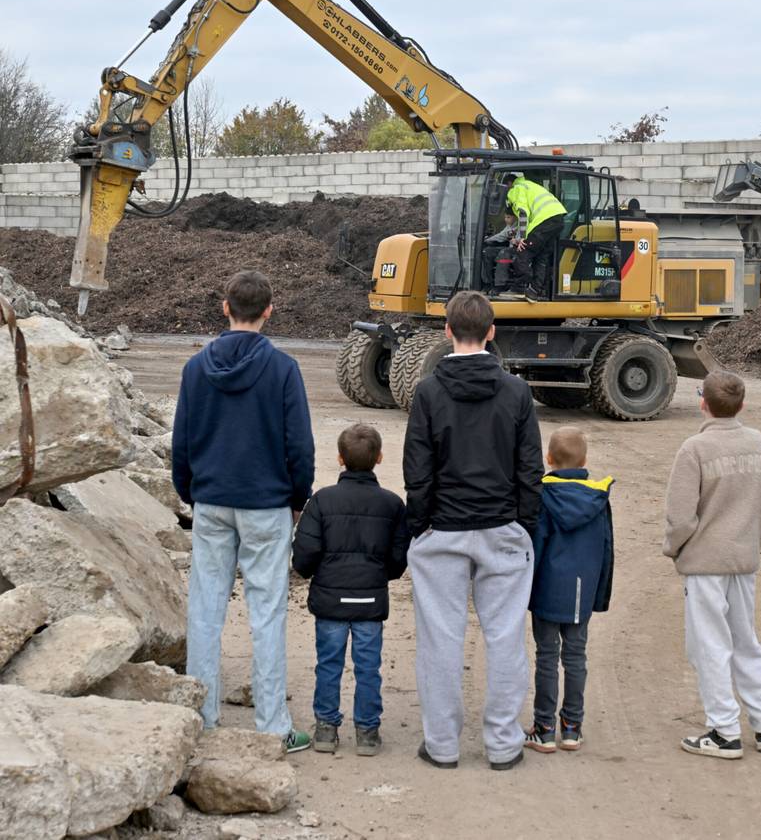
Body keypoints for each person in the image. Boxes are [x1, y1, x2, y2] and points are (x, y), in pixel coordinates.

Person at [172, 270, 315, 752]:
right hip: (267, 505)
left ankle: (202, 716)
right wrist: (298, 497)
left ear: (224, 306)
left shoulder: (195, 370)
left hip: (212, 499)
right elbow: (300, 444)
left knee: (205, 609)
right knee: (267, 612)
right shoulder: (283, 369)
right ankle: (273, 725)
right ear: (269, 310)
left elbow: (182, 441)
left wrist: (191, 491)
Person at [403, 290, 543, 771]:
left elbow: (417, 469)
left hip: (442, 530)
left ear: (446, 331)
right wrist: (523, 524)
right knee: (505, 637)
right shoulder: (516, 392)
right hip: (501, 526)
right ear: (492, 332)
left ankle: (441, 744)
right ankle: (504, 745)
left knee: (440, 638)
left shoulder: (428, 392)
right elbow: (530, 468)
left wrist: (419, 525)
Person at [663, 371, 761, 760]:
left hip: (704, 562)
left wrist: (675, 550)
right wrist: (750, 540)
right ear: (742, 404)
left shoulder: (694, 449)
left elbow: (680, 517)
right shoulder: (758, 443)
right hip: (742, 560)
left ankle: (724, 730)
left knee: (709, 646)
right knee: (745, 639)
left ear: (703, 402)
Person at [292, 424, 409, 757]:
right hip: (370, 598)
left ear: (340, 458)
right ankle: (367, 732)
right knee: (368, 666)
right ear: (380, 458)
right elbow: (399, 556)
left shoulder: (322, 501)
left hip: (330, 599)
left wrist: (315, 574)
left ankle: (326, 729)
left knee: (328, 663)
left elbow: (306, 553)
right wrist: (380, 575)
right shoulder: (391, 504)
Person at [524, 426, 614, 754]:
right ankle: (572, 727)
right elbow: (606, 548)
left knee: (546, 656)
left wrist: (525, 589)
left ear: (548, 459)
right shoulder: (598, 498)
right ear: (585, 459)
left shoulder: (543, 496)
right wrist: (598, 593)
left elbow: (535, 545)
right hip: (582, 589)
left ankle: (544, 728)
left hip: (547, 587)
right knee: (576, 655)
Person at [502, 173, 568, 300]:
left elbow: (523, 212)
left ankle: (520, 287)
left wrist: (521, 237)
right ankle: (534, 290)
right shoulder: (530, 185)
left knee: (523, 250)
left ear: (509, 184)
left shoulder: (516, 189)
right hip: (557, 219)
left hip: (545, 220)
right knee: (541, 256)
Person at [481, 207, 518, 292]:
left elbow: (503, 236)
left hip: (518, 250)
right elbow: (501, 235)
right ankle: (487, 283)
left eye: (508, 217)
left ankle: (500, 285)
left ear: (515, 217)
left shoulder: (519, 225)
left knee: (503, 253)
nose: (506, 219)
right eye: (505, 217)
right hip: (510, 248)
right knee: (487, 252)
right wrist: (487, 240)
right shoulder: (509, 226)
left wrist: (486, 239)